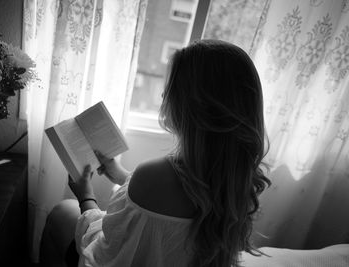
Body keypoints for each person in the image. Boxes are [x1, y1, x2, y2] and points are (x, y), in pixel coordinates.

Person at [40, 39, 271, 267]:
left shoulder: (153, 174)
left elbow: (106, 252)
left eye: (169, 88)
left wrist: (85, 196)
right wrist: (121, 175)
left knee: (62, 211)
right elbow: (170, 208)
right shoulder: (236, 175)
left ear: (190, 104)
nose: (163, 96)